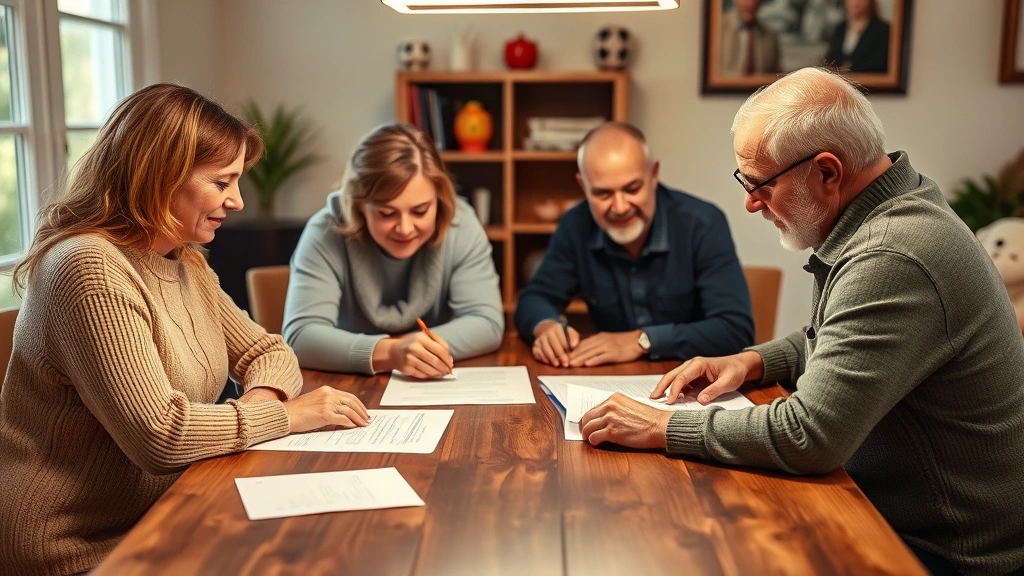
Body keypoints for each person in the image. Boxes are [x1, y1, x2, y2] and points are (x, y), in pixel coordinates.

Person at [578, 68, 1024, 575]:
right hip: (900, 518)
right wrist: (748, 363)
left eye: (760, 184)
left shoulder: (892, 255)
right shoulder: (897, 210)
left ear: (827, 173)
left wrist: (664, 425)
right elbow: (837, 337)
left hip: (947, 554)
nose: (750, 203)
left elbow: (809, 435)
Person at [0, 83, 371, 576]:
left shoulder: (181, 259)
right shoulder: (87, 268)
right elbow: (162, 436)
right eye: (222, 182)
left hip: (170, 506)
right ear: (161, 176)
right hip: (77, 546)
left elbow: (269, 352)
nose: (237, 200)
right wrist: (287, 416)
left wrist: (260, 402)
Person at [515, 122, 753, 368]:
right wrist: (546, 326)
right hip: (611, 381)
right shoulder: (576, 226)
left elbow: (735, 329)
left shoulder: (702, 224)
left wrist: (642, 340)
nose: (620, 207)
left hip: (694, 380)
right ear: (583, 186)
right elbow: (535, 298)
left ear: (653, 174)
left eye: (632, 188)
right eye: (603, 194)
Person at [283, 123, 503, 378]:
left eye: (420, 211)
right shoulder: (324, 231)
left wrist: (414, 351)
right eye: (387, 213)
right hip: (348, 387)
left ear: (439, 199)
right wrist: (392, 352)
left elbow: (487, 323)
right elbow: (301, 336)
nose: (405, 228)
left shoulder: (461, 224)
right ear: (358, 204)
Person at [823, 0, 890, 73]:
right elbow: (831, 58)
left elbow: (879, 63)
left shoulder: (882, 29)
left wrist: (849, 70)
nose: (856, 2)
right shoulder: (840, 29)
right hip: (839, 82)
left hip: (870, 82)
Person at [719, 0, 781, 76]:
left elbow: (775, 73)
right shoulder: (717, 28)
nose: (751, 4)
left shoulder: (770, 36)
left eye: (755, 1)